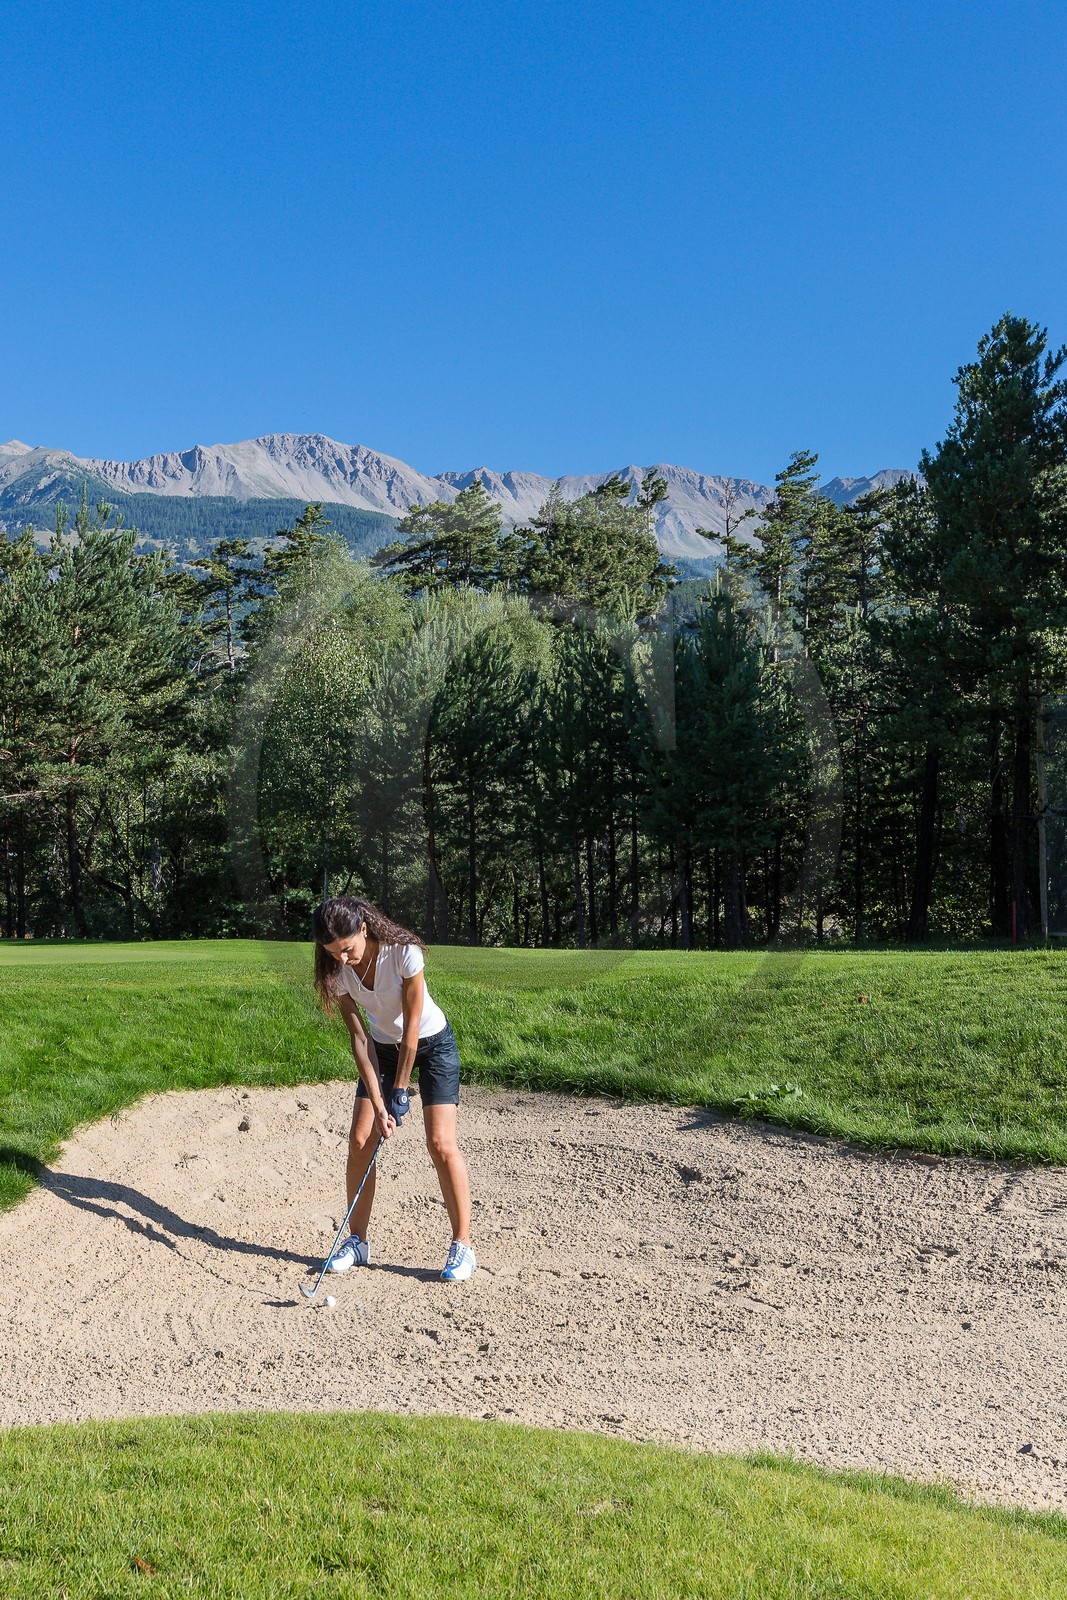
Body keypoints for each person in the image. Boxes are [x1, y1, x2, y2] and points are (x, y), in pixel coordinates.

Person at [311, 894, 476, 1282]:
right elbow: (360, 1040)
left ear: (363, 928)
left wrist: (400, 1091)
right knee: (360, 1139)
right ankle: (357, 1241)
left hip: (432, 1045)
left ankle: (463, 1245)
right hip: (382, 1051)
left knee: (440, 1142)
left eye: (348, 949)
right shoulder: (337, 971)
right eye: (333, 953)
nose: (343, 959)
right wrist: (380, 1103)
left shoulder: (403, 953)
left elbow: (412, 1028)